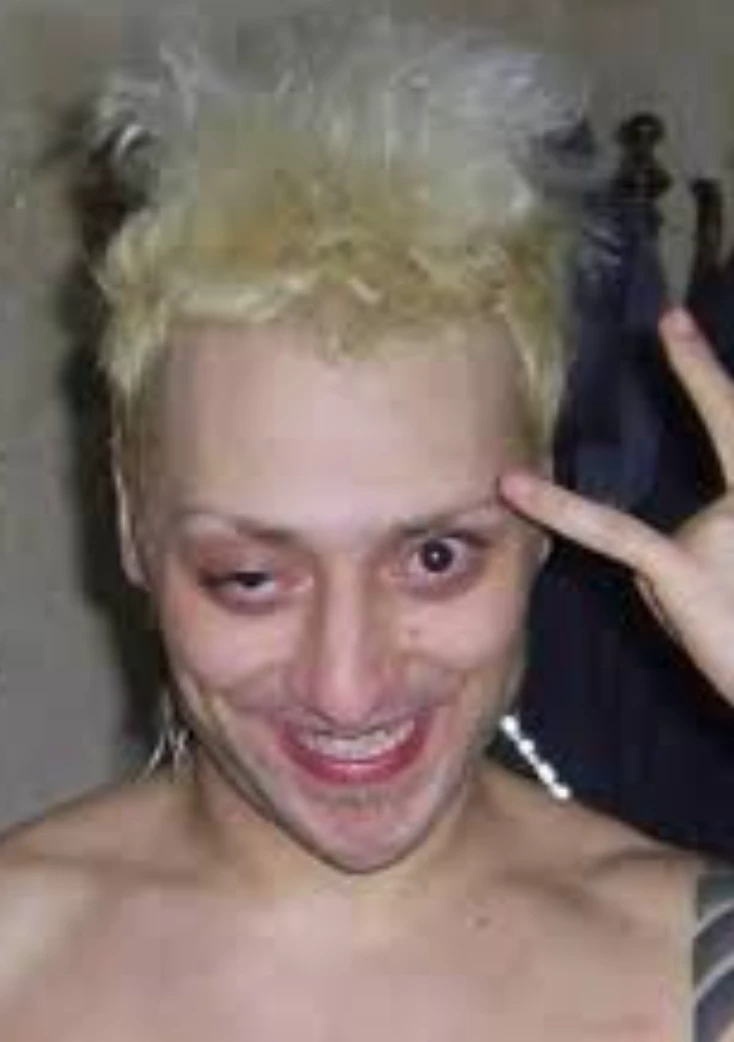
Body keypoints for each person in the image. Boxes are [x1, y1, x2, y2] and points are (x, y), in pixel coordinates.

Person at [1, 6, 734, 1038]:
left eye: (435, 556)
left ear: (542, 517)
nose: (346, 687)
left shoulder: (695, 971)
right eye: (248, 576)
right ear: (131, 519)